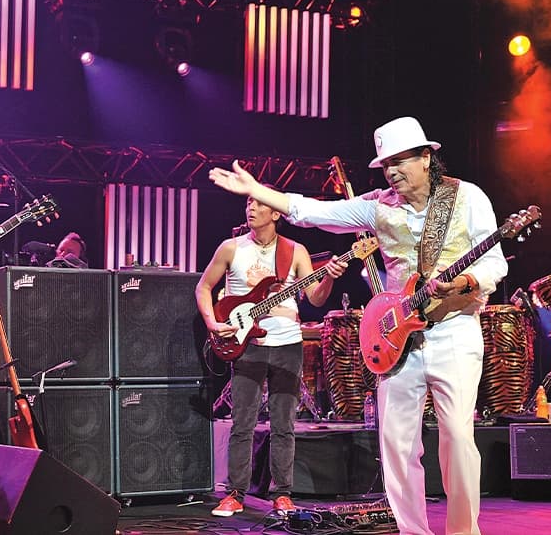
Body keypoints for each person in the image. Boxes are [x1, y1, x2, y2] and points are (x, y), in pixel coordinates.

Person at [210, 116, 508, 535]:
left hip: (454, 330)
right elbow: (313, 212)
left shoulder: (466, 197)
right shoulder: (377, 205)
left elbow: (494, 260)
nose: (392, 171)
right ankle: (413, 531)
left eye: (401, 160)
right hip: (396, 339)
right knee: (397, 445)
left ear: (427, 157)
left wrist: (468, 280)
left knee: (457, 440)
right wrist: (258, 191)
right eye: (386, 164)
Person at [195, 194, 346, 517]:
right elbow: (204, 287)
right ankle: (235, 493)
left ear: (276, 213)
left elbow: (316, 300)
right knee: (242, 423)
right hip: (245, 342)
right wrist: (212, 321)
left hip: (287, 343)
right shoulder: (231, 247)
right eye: (248, 203)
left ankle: (282, 494)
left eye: (259, 203)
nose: (251, 208)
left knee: (283, 423)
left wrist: (329, 277)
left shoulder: (295, 251)